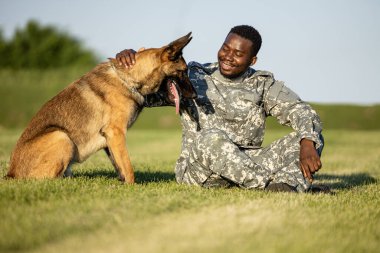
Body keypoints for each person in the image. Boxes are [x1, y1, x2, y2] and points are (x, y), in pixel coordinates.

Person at [116, 25, 325, 192]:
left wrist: (307, 141)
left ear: (252, 60)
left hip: (247, 161)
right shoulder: (194, 76)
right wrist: (134, 62)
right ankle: (275, 186)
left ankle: (284, 185)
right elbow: (142, 93)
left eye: (238, 53)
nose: (228, 56)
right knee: (210, 138)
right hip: (200, 171)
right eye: (225, 48)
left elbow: (301, 111)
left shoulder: (262, 84)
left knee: (310, 138)